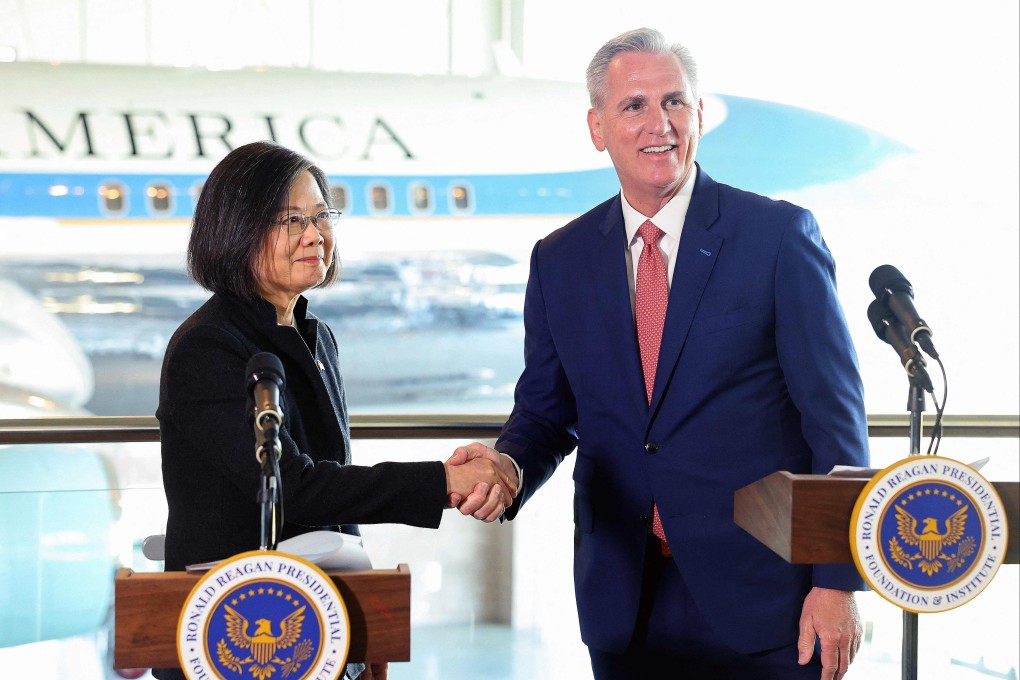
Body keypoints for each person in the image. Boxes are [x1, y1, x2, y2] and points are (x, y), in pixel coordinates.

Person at [448, 28, 870, 680]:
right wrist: (506, 466)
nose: (660, 124)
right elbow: (545, 413)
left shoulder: (777, 238)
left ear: (699, 114)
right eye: (634, 106)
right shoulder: (560, 259)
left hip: (767, 598)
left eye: (675, 102)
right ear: (598, 127)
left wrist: (838, 583)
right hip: (625, 600)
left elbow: (835, 423)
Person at [155, 141, 513, 680]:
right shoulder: (208, 346)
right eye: (290, 219)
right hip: (235, 628)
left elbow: (334, 497)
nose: (314, 234)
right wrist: (442, 481)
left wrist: (359, 632)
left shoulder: (314, 337)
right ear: (236, 229)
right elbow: (297, 486)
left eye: (322, 215)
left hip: (317, 621)